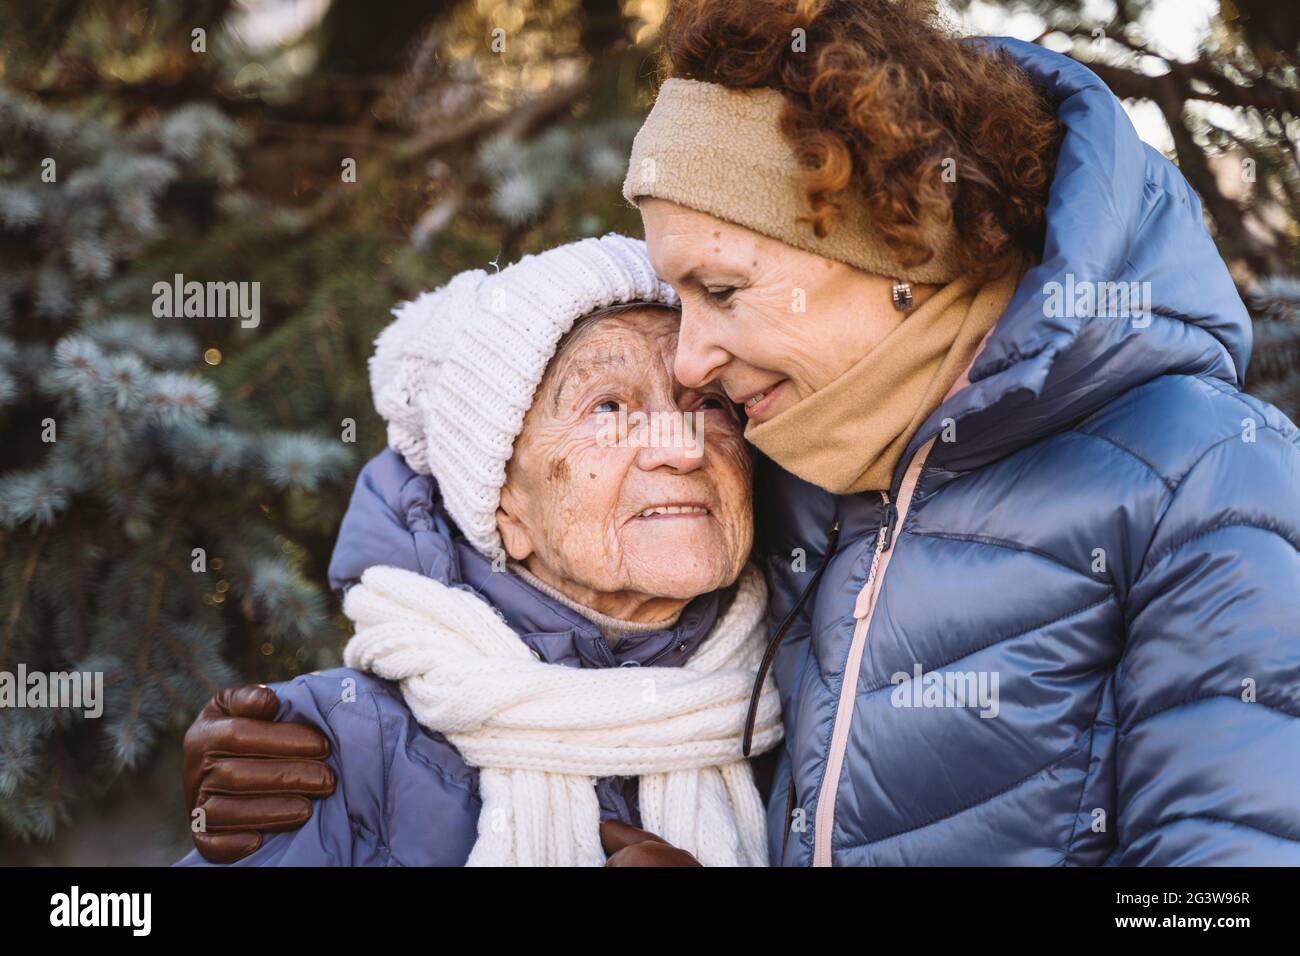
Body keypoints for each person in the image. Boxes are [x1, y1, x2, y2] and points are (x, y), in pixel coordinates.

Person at [182, 1, 1300, 867]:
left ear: (895, 243)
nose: (690, 364)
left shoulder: (1204, 480)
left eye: (721, 288)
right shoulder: (808, 461)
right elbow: (509, 501)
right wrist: (332, 735)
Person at [177, 234, 776, 866]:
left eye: (706, 404)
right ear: (501, 503)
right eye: (608, 407)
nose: (681, 448)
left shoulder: (808, 685)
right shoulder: (335, 748)